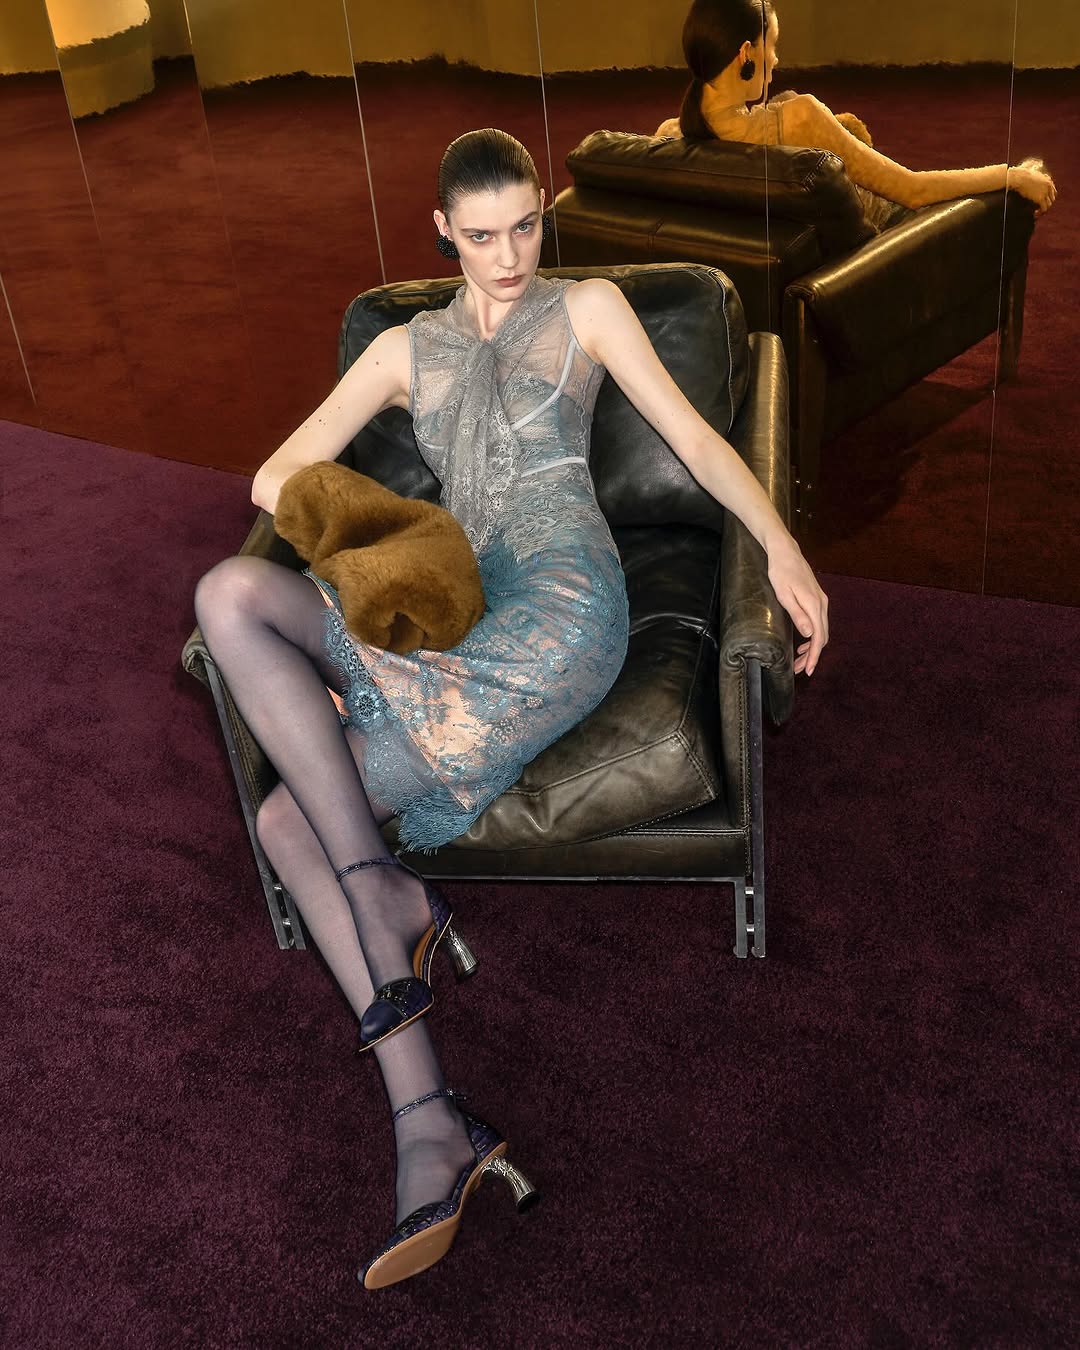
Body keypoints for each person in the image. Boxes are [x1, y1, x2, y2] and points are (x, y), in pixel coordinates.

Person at [193, 127, 829, 1290]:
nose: (508, 256)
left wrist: (782, 545)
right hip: (458, 599)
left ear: (543, 210)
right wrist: (385, 561)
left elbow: (695, 438)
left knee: (291, 823)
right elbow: (274, 478)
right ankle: (428, 1084)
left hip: (565, 611)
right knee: (228, 595)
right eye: (482, 236)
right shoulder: (404, 347)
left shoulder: (587, 309)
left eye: (526, 226)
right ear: (442, 232)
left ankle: (422, 1108)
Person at [655, 0, 1057, 230]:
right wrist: (1010, 176)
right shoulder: (800, 118)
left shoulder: (670, 136)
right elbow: (913, 190)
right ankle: (1022, 178)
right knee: (1015, 190)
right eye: (772, 45)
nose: (775, 59)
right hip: (886, 239)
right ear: (746, 53)